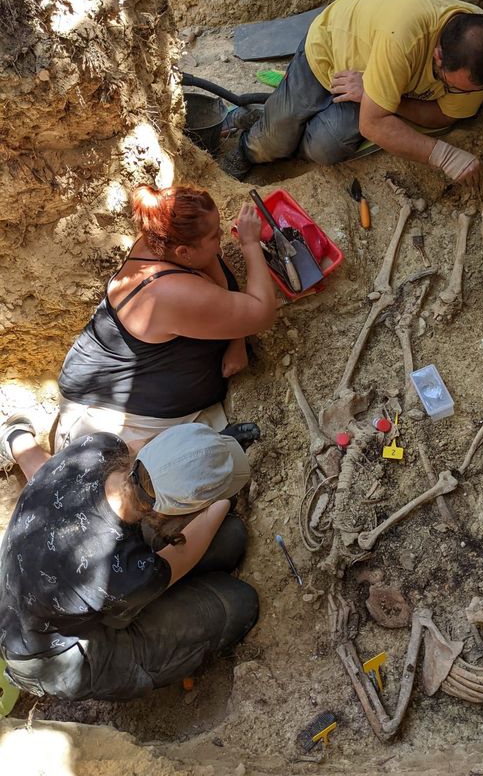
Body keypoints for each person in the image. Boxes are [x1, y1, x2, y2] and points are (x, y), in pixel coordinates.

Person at [0, 421, 258, 701]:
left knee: (230, 537)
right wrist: (220, 497)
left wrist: (204, 457)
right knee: (237, 602)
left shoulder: (100, 448)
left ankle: (117, 610)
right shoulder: (124, 574)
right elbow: (189, 546)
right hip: (52, 656)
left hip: (43, 592)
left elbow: (158, 469)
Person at [53, 183, 277, 452]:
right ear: (184, 252)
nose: (222, 239)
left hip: (118, 390)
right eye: (215, 236)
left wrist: (236, 337)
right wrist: (251, 243)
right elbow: (262, 313)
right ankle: (18, 440)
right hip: (100, 420)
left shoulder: (162, 241)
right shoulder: (167, 292)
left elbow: (213, 265)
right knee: (148, 477)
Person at [221, 0, 483, 190]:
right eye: (447, 84)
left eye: (463, 90)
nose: (458, 94)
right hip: (331, 48)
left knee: (326, 148)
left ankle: (281, 127)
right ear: (438, 55)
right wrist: (446, 156)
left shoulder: (479, 58)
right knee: (272, 139)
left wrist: (378, 94)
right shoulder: (404, 37)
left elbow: (443, 114)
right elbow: (373, 125)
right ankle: (248, 145)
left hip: (374, 85)